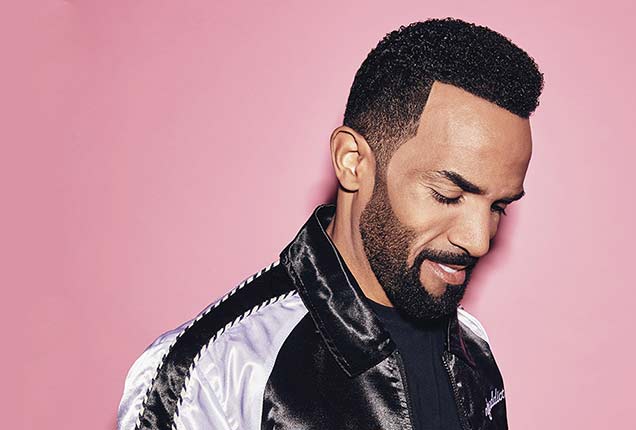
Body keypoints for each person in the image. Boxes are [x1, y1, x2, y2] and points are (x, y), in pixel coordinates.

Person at [117, 17, 543, 430]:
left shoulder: (472, 345)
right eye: (447, 195)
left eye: (499, 206)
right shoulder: (217, 370)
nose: (478, 240)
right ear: (352, 162)